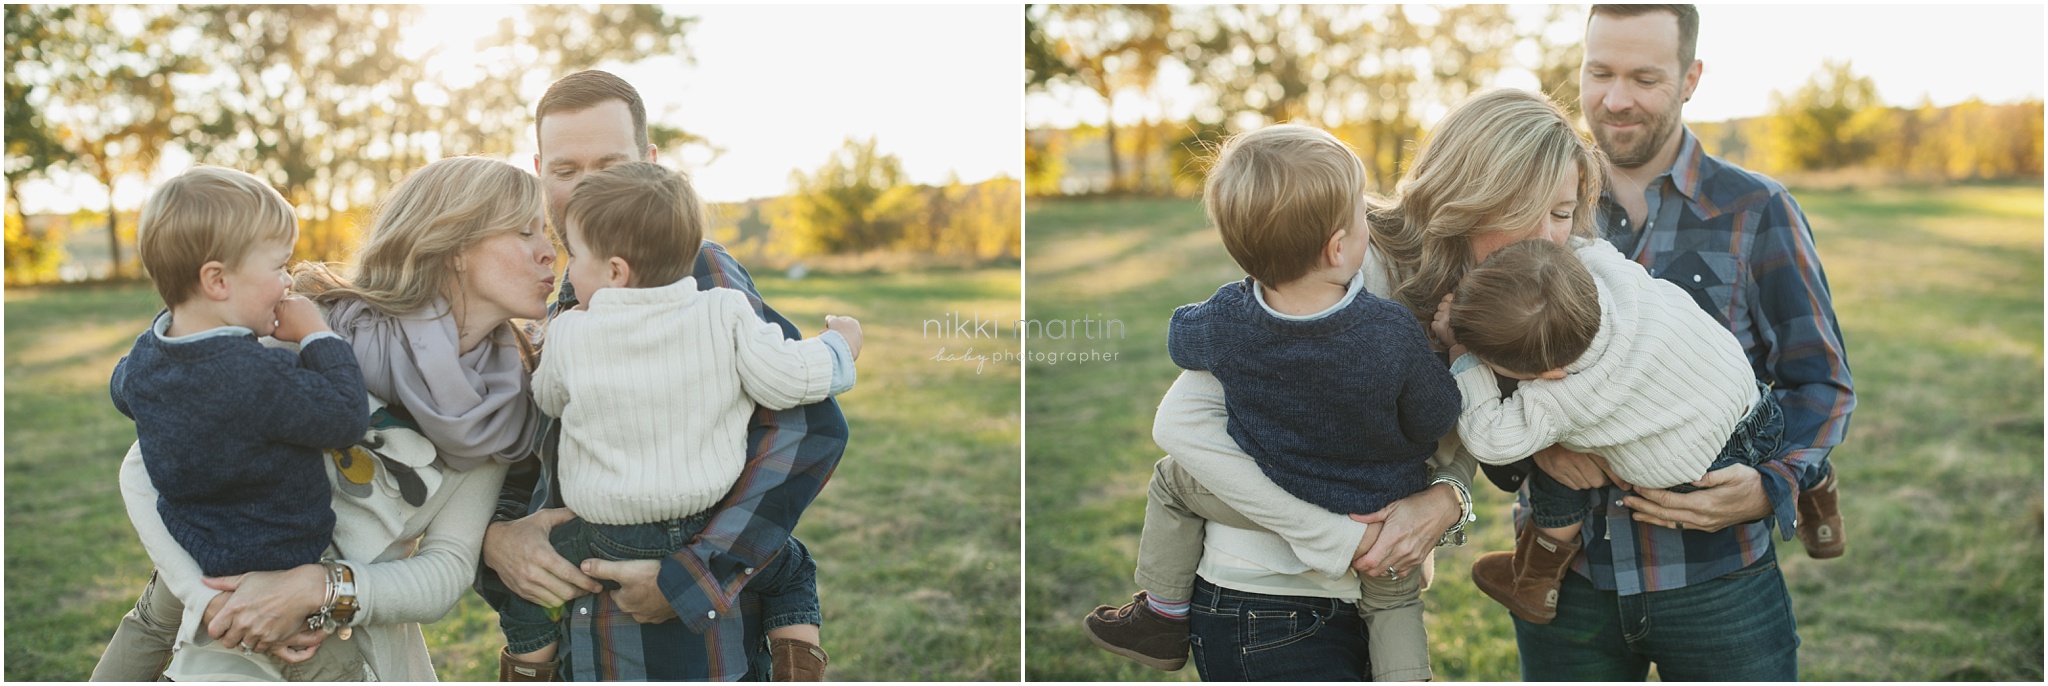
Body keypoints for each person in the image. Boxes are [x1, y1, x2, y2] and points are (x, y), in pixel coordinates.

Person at [1136, 88, 1601, 680]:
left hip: (1372, 594)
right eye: (1521, 211)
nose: (1545, 237)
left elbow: (1450, 425)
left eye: (1561, 215)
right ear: (1468, 195)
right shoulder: (1350, 262)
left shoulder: (1506, 298)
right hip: (1270, 598)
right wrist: (1334, 537)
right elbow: (1183, 423)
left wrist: (1447, 499)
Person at [1484, 4, 1856, 680]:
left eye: (1645, 78)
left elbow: (1822, 383)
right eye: (1599, 73)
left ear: (1691, 77)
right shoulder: (1527, 204)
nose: (1615, 100)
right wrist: (1545, 440)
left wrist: (1770, 486)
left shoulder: (1757, 211)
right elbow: (1487, 355)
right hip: (1568, 589)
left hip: (1721, 582)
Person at [90, 156, 556, 681]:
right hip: (216, 614)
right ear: (451, 246)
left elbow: (446, 568)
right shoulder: (308, 326)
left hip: (343, 645)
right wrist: (198, 592)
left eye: (547, 233)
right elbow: (146, 465)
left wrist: (322, 588)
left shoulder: (502, 405)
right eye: (524, 232)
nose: (548, 251)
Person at [475, 69, 847, 681]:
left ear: (651, 164)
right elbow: (526, 441)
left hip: (688, 643)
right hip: (580, 629)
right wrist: (498, 536)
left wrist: (693, 576)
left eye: (612, 165)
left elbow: (807, 431)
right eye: (566, 171)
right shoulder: (560, 291)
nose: (590, 188)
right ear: (541, 172)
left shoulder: (696, 279)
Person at [1081, 124, 1459, 681]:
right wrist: (1451, 351)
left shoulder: (1228, 322)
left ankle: (1161, 614)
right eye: (1361, 218)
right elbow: (1436, 416)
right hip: (1383, 509)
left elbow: (1178, 340)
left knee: (1169, 481)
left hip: (1284, 492)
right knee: (1395, 606)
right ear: (1338, 247)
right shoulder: (1391, 329)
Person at [106, 165, 372, 680]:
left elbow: (122, 394)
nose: (288, 280)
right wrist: (318, 336)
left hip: (194, 543)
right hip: (278, 560)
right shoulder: (257, 374)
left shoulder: (143, 361)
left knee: (147, 626)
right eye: (278, 266)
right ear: (217, 280)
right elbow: (343, 417)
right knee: (331, 665)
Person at [1436, 237, 1782, 623]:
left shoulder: (1560, 397)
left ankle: (1536, 578)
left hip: (1700, 469)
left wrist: (1462, 357)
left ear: (1550, 374)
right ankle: (1817, 492)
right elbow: (1583, 242)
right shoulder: (1609, 270)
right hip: (1757, 408)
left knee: (1560, 463)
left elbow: (1489, 437)